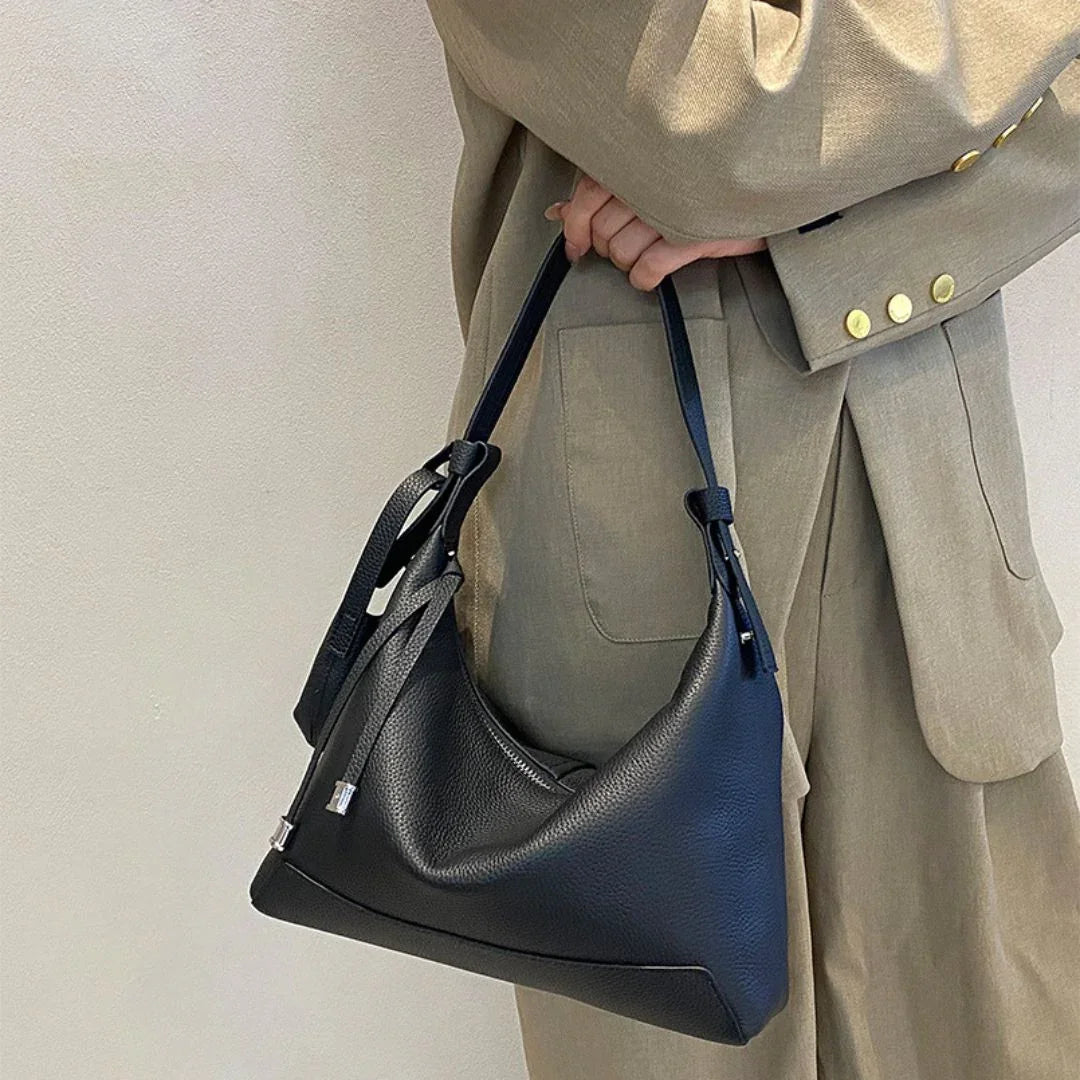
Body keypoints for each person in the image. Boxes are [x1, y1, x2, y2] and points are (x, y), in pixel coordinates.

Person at [422, 2, 1080, 1076]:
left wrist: (839, 238)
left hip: (938, 544)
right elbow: (715, 116)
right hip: (631, 591)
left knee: (997, 1035)